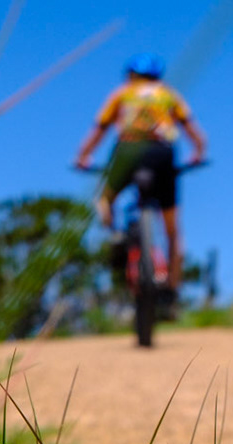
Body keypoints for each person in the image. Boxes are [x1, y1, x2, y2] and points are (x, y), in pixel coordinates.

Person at [72, 55, 207, 291]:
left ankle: (113, 234)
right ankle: (172, 287)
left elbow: (99, 130)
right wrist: (198, 152)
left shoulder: (122, 94)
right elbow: (193, 130)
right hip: (162, 153)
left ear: (131, 75)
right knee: (172, 229)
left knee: (104, 199)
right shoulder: (168, 95)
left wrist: (82, 156)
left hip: (128, 150)